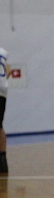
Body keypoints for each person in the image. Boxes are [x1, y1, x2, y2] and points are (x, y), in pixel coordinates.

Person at [0, 45, 8, 174]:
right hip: (2, 92)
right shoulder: (2, 51)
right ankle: (2, 161)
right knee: (0, 126)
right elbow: (8, 70)